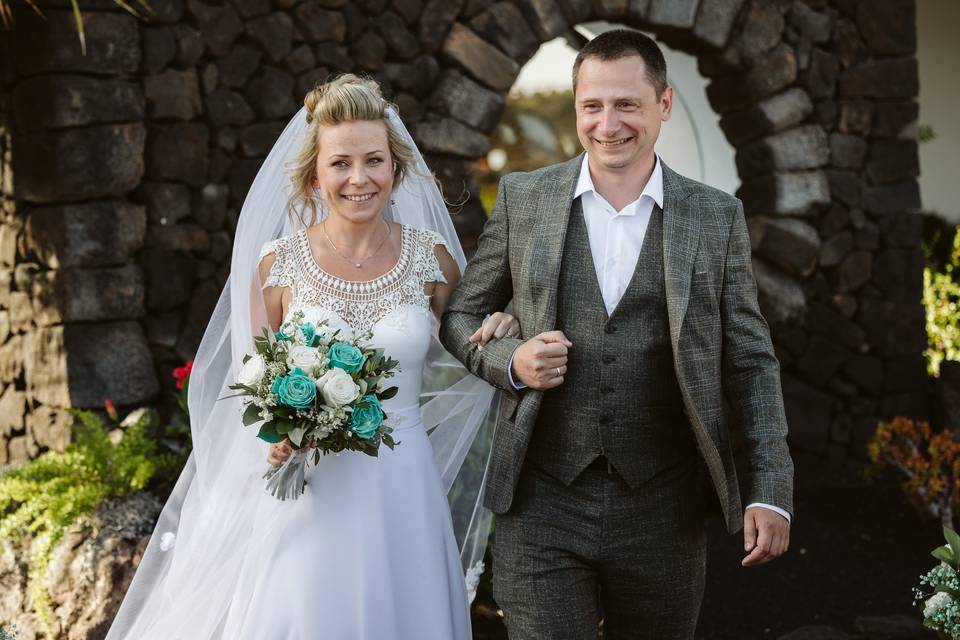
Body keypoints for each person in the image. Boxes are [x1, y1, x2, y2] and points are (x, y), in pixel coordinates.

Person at [106, 75, 513, 640]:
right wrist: (275, 436)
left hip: (402, 487)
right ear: (314, 174)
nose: (359, 178)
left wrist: (502, 324)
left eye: (374, 160)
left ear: (395, 167)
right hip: (306, 491)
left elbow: (470, 344)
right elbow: (252, 386)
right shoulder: (278, 266)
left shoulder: (433, 258)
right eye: (340, 162)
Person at [440, 29, 795, 640]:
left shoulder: (715, 217)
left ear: (663, 104)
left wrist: (771, 488)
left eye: (627, 104)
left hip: (664, 508)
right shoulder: (526, 199)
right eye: (592, 105)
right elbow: (460, 319)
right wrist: (510, 360)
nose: (609, 123)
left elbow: (751, 363)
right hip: (540, 498)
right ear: (576, 108)